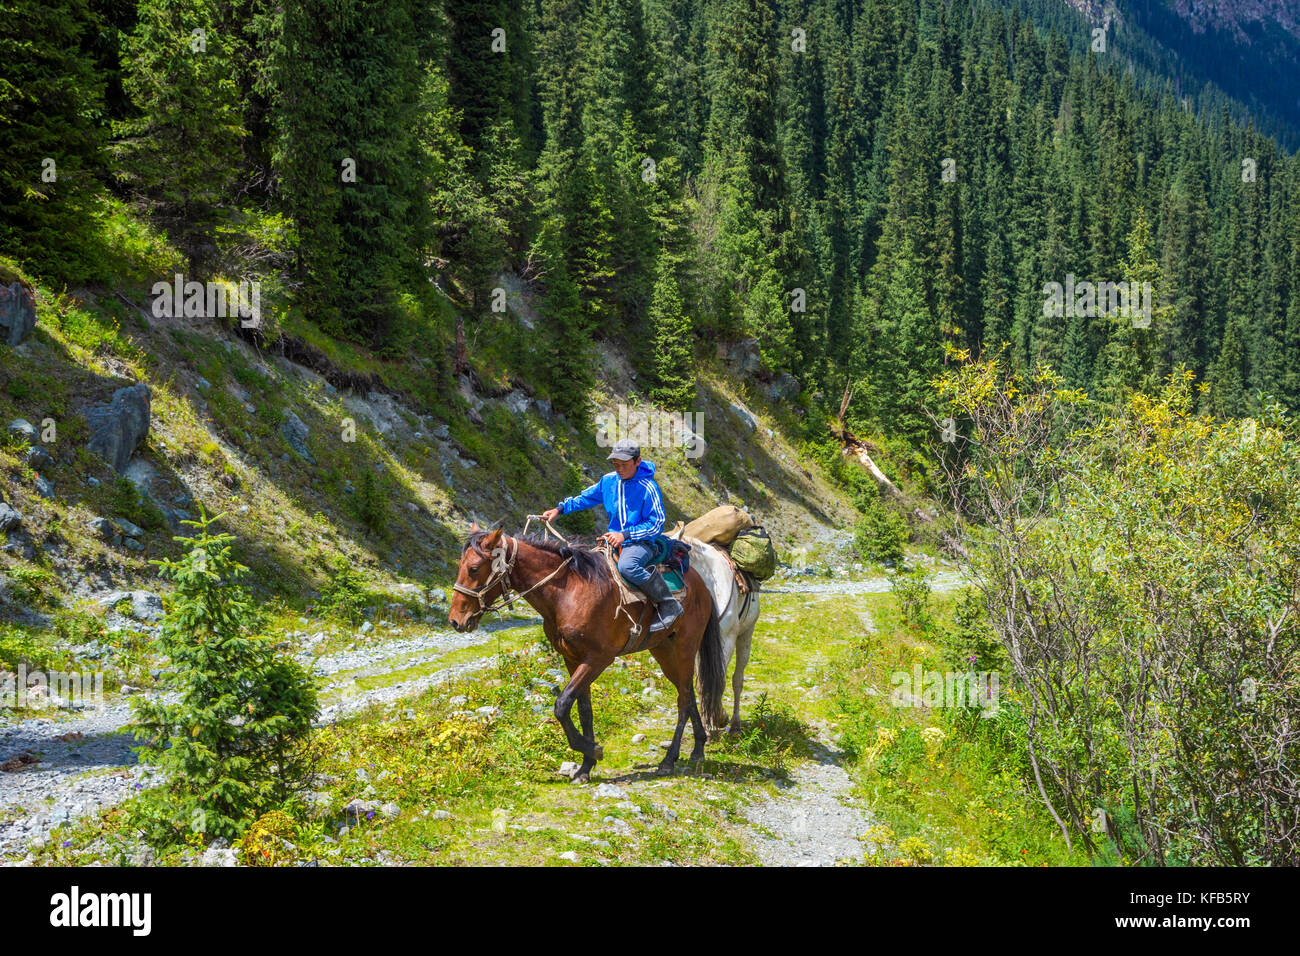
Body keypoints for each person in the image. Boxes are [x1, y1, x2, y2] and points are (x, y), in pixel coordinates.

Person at [541, 438, 683, 633]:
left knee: (628, 566)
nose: (619, 469)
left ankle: (668, 604)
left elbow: (656, 523)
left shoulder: (648, 487)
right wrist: (560, 509)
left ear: (637, 461)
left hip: (642, 542)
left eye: (624, 465)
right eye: (616, 464)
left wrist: (625, 535)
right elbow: (586, 498)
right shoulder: (608, 481)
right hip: (612, 540)